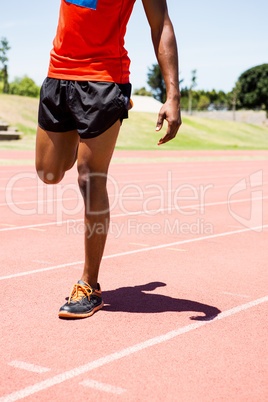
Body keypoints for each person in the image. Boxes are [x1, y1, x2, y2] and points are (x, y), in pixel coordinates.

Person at [36, 0, 182, 319]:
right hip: (58, 74)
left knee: (90, 178)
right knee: (48, 173)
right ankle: (85, 131)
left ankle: (89, 285)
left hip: (103, 79)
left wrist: (173, 96)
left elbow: (161, 25)